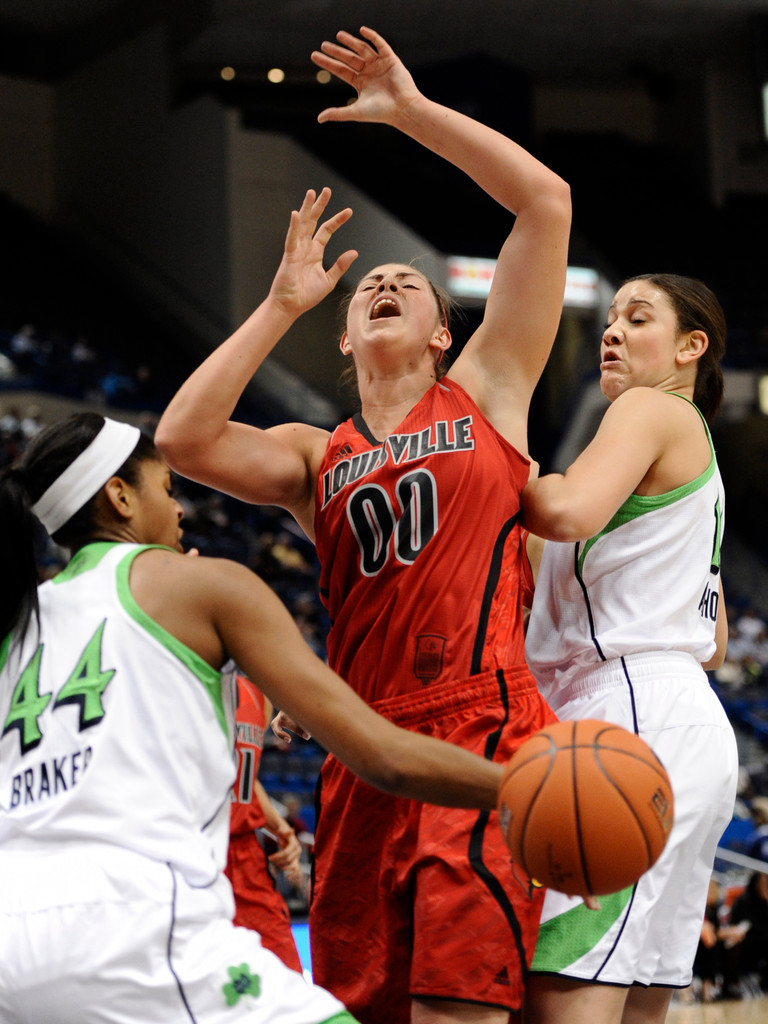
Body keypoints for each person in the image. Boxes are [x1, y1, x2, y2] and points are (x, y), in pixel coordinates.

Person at [155, 24, 571, 1024]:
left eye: (409, 284)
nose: (384, 280)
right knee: (367, 1008)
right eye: (367, 286)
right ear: (344, 336)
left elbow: (545, 203)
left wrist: (413, 113)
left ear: (442, 332)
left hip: (480, 726)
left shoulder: (487, 392)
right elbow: (182, 439)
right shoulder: (314, 453)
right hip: (364, 748)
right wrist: (277, 303)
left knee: (455, 1008)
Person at [0, 412, 508, 1024]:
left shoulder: (19, 621)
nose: (181, 511)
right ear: (120, 496)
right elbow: (382, 755)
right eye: (169, 490)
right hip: (132, 924)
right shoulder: (200, 584)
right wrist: (524, 787)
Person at [521, 273, 740, 1024]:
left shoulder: (649, 409)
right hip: (678, 716)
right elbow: (713, 642)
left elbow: (566, 509)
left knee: (567, 989)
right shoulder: (685, 448)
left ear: (691, 347)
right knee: (637, 1000)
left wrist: (500, 470)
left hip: (630, 714)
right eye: (610, 318)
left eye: (637, 319)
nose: (612, 330)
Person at [227, 673, 304, 973]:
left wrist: (281, 828)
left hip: (246, 859)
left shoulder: (258, 695)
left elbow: (243, 771)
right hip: (195, 852)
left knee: (289, 980)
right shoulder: (183, 680)